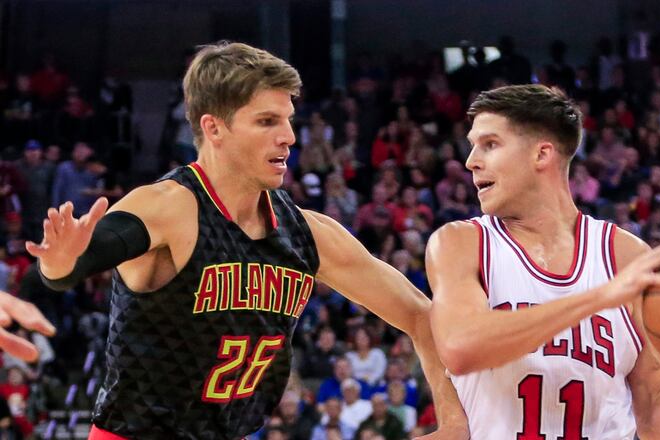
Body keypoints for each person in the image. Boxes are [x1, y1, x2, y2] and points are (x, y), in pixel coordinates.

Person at [27, 42, 467, 439]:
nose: (289, 137)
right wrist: (62, 262)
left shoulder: (306, 232)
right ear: (214, 128)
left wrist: (453, 424)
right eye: (266, 121)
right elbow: (83, 257)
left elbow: (420, 315)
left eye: (288, 121)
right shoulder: (170, 206)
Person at [426, 84, 660, 439]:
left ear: (541, 154)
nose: (471, 161)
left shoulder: (626, 257)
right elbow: (461, 347)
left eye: (490, 144)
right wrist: (601, 297)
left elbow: (655, 420)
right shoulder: (461, 243)